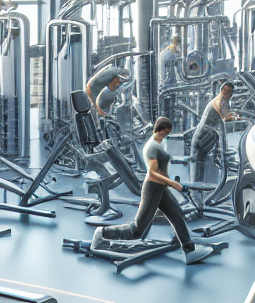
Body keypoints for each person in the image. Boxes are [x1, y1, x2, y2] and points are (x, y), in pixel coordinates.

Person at [93, 116, 215, 265]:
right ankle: (101, 233)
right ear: (161, 130)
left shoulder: (160, 143)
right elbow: (152, 173)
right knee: (136, 230)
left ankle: (189, 250)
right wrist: (174, 184)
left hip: (160, 188)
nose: (168, 135)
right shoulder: (151, 147)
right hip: (153, 188)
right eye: (167, 132)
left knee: (177, 214)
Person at [190, 81, 237, 183]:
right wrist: (237, 118)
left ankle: (199, 189)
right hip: (203, 136)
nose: (230, 94)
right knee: (197, 162)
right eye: (228, 91)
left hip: (208, 136)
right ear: (222, 91)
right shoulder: (220, 101)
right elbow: (225, 117)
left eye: (232, 92)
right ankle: (197, 191)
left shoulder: (224, 101)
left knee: (201, 163)